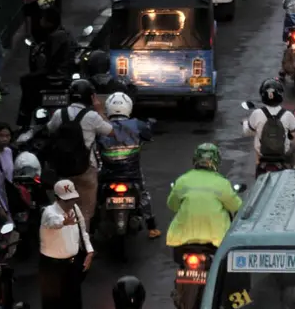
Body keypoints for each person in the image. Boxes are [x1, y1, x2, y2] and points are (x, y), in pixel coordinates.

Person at [38, 178, 94, 309]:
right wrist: (64, 221)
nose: (70, 203)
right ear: (57, 198)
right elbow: (53, 222)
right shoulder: (49, 213)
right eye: (66, 200)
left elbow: (83, 231)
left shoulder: (75, 210)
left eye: (72, 199)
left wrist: (89, 251)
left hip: (72, 264)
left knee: (74, 307)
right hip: (52, 267)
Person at [46, 78, 113, 226]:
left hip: (63, 170)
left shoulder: (59, 114)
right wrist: (100, 110)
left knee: (64, 208)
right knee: (85, 211)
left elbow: (50, 129)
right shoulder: (92, 116)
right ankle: (83, 242)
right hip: (86, 169)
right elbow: (110, 131)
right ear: (90, 97)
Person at [97, 93, 160, 239]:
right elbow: (149, 134)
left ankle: (91, 229)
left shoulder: (101, 126)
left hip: (107, 175)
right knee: (144, 195)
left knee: (97, 197)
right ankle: (152, 227)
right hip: (132, 175)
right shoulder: (138, 125)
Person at [165, 144, 242, 251]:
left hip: (183, 238)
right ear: (216, 161)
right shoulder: (222, 183)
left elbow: (172, 205)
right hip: (216, 239)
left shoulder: (182, 180)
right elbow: (236, 206)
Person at [242, 79, 295, 171]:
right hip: (282, 156)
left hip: (262, 157)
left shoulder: (256, 113)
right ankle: (293, 170)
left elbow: (248, 132)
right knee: (294, 146)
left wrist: (245, 122)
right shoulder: (287, 115)